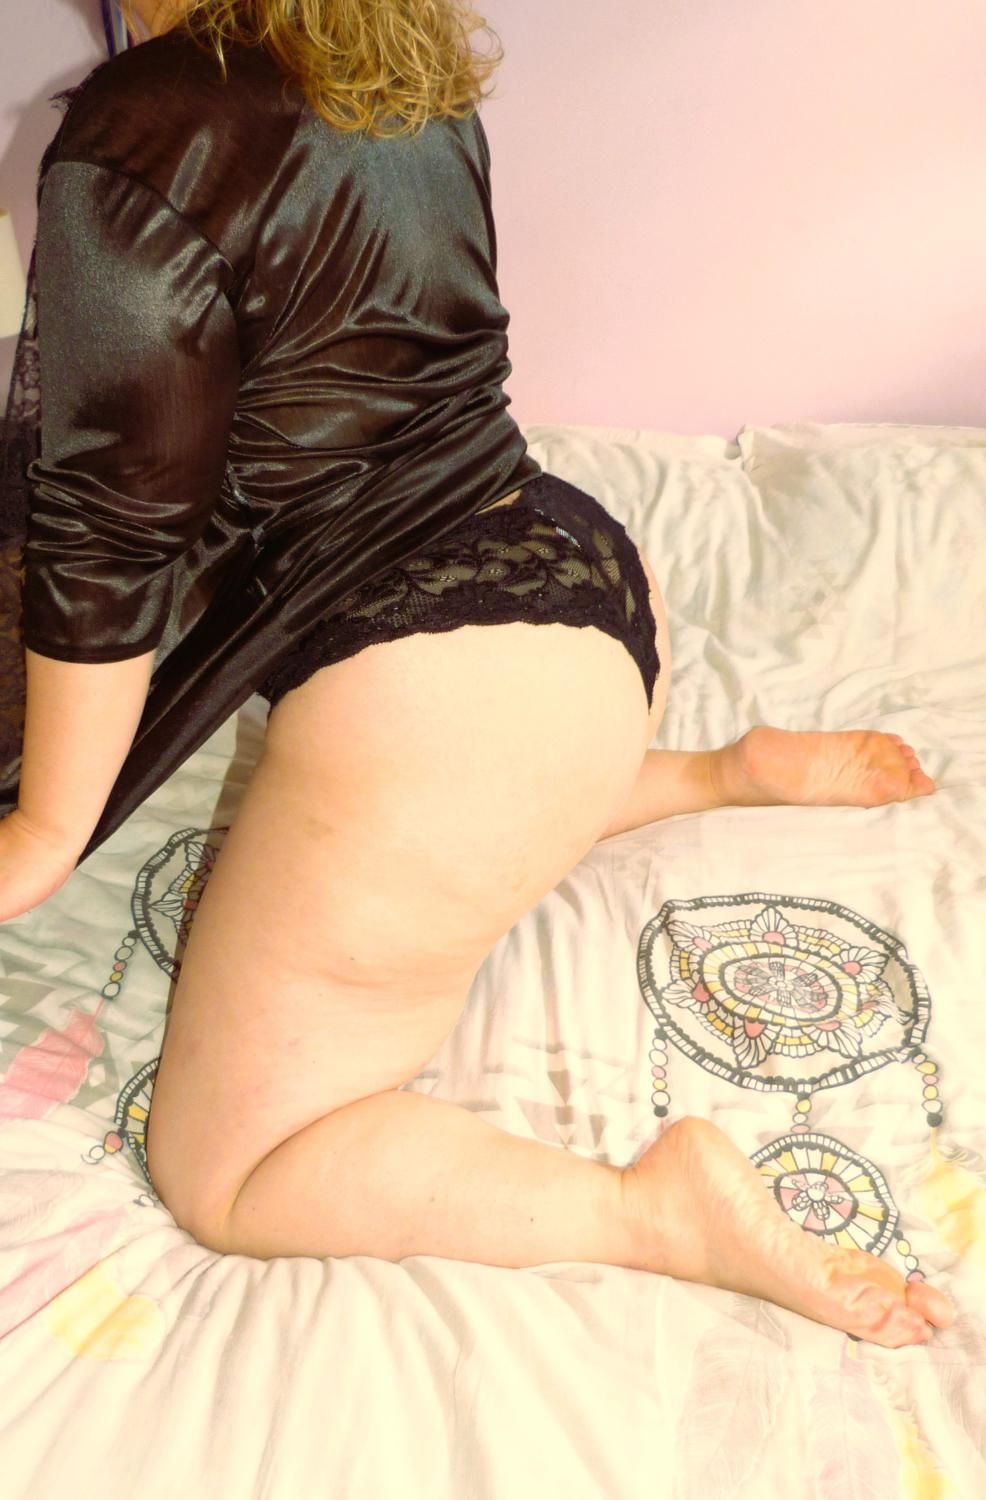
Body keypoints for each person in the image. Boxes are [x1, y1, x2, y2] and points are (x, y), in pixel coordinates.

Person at [0, 0, 954, 1347]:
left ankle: (648, 1213)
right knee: (478, 814)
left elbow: (112, 525)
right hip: (581, 579)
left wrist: (46, 830)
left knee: (231, 1174)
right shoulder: (387, 46)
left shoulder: (138, 133)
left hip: (449, 711)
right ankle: (706, 775)